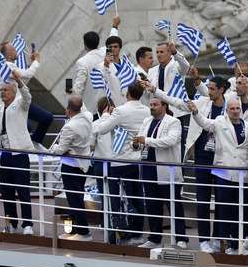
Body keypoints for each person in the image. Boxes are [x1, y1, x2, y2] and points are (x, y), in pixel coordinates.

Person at [189, 97, 248, 254]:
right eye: (232, 109)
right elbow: (204, 123)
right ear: (227, 110)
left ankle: (241, 240)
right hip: (224, 174)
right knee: (225, 210)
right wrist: (196, 112)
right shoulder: (219, 122)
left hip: (242, 174)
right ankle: (229, 241)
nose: (235, 111)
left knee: (241, 210)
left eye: (237, 108)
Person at [92, 83, 151, 244]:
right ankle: (138, 233)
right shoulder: (146, 110)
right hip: (137, 159)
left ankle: (123, 235)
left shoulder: (121, 111)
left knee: (119, 198)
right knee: (137, 196)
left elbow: (103, 129)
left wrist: (106, 116)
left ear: (127, 94)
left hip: (120, 160)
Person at [0, 69, 36, 235]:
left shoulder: (20, 104)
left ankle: (27, 224)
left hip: (19, 154)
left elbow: (27, 96)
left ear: (13, 93)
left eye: (5, 90)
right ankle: (11, 223)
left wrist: (19, 81)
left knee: (23, 190)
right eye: (1, 90)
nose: (2, 93)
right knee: (6, 192)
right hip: (5, 154)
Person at [134, 96, 190, 249]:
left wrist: (146, 140)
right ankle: (154, 237)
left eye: (155, 105)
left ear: (164, 107)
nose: (152, 107)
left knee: (174, 205)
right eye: (151, 104)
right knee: (152, 206)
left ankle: (181, 238)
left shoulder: (174, 122)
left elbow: (170, 141)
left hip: (167, 171)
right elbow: (141, 144)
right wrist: (136, 144)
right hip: (148, 170)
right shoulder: (146, 121)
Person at [184, 75, 230, 253]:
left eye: (212, 89)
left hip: (222, 158)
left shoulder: (230, 106)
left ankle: (219, 237)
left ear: (221, 90)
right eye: (208, 88)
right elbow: (177, 102)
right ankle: (203, 239)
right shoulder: (202, 102)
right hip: (202, 158)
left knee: (221, 199)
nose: (209, 91)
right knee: (202, 200)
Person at [53, 94, 94, 241]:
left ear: (68, 108)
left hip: (71, 166)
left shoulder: (69, 127)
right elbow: (83, 108)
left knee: (75, 200)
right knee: (76, 198)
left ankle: (83, 232)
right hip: (83, 166)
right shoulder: (88, 117)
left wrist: (57, 145)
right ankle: (73, 230)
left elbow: (58, 150)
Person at [0, 41, 53, 145]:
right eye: (14, 50)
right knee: (28, 126)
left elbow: (21, 82)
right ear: (9, 55)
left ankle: (35, 142)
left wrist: (31, 64)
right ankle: (18, 146)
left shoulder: (9, 66)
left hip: (20, 102)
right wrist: (36, 61)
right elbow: (27, 74)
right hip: (9, 105)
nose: (17, 51)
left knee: (47, 117)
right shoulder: (6, 66)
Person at [73, 31, 111, 112]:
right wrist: (115, 26)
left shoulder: (82, 62)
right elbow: (112, 39)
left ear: (84, 44)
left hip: (90, 110)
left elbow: (79, 86)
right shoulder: (105, 53)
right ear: (99, 42)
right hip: (106, 107)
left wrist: (72, 101)